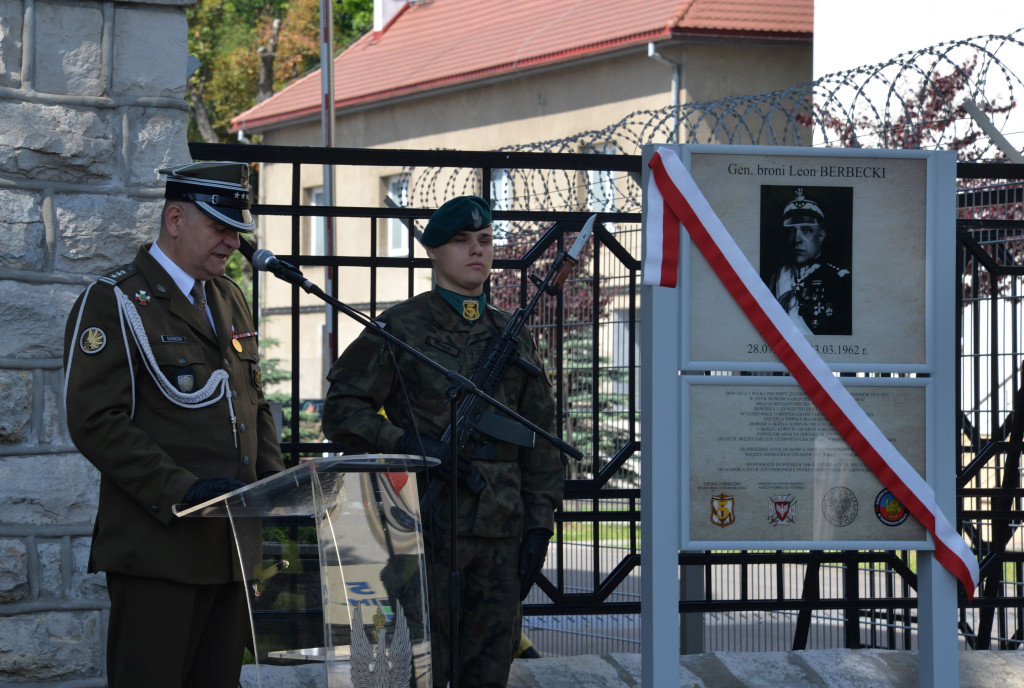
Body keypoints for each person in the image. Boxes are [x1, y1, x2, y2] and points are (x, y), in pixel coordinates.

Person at [321, 195, 564, 687]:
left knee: (489, 671)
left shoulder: (512, 335)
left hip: (501, 529)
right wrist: (413, 445)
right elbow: (342, 411)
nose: (477, 251)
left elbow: (543, 439)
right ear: (433, 251)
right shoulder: (402, 327)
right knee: (421, 670)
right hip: (425, 527)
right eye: (461, 241)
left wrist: (539, 527)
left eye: (484, 240)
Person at [63, 162, 285, 688]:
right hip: (160, 549)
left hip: (229, 550)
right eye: (219, 226)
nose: (232, 241)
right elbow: (95, 420)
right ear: (176, 218)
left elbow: (252, 403)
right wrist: (184, 490)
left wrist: (277, 487)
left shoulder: (229, 297)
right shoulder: (116, 299)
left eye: (237, 230)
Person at [766, 187, 852, 335]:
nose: (797, 239)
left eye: (806, 230)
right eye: (792, 231)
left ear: (821, 236)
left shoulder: (839, 279)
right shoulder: (774, 277)